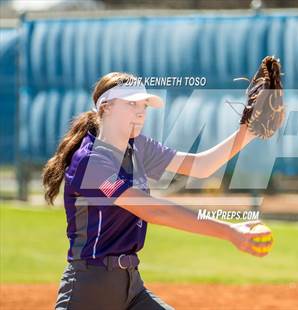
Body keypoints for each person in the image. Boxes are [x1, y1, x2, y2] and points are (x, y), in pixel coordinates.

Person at [43, 72, 273, 310]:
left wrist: (249, 131)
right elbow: (154, 211)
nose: (141, 112)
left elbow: (201, 166)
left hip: (131, 288)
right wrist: (229, 231)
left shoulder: (139, 146)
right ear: (106, 107)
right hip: (89, 290)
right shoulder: (91, 163)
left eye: (144, 105)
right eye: (131, 104)